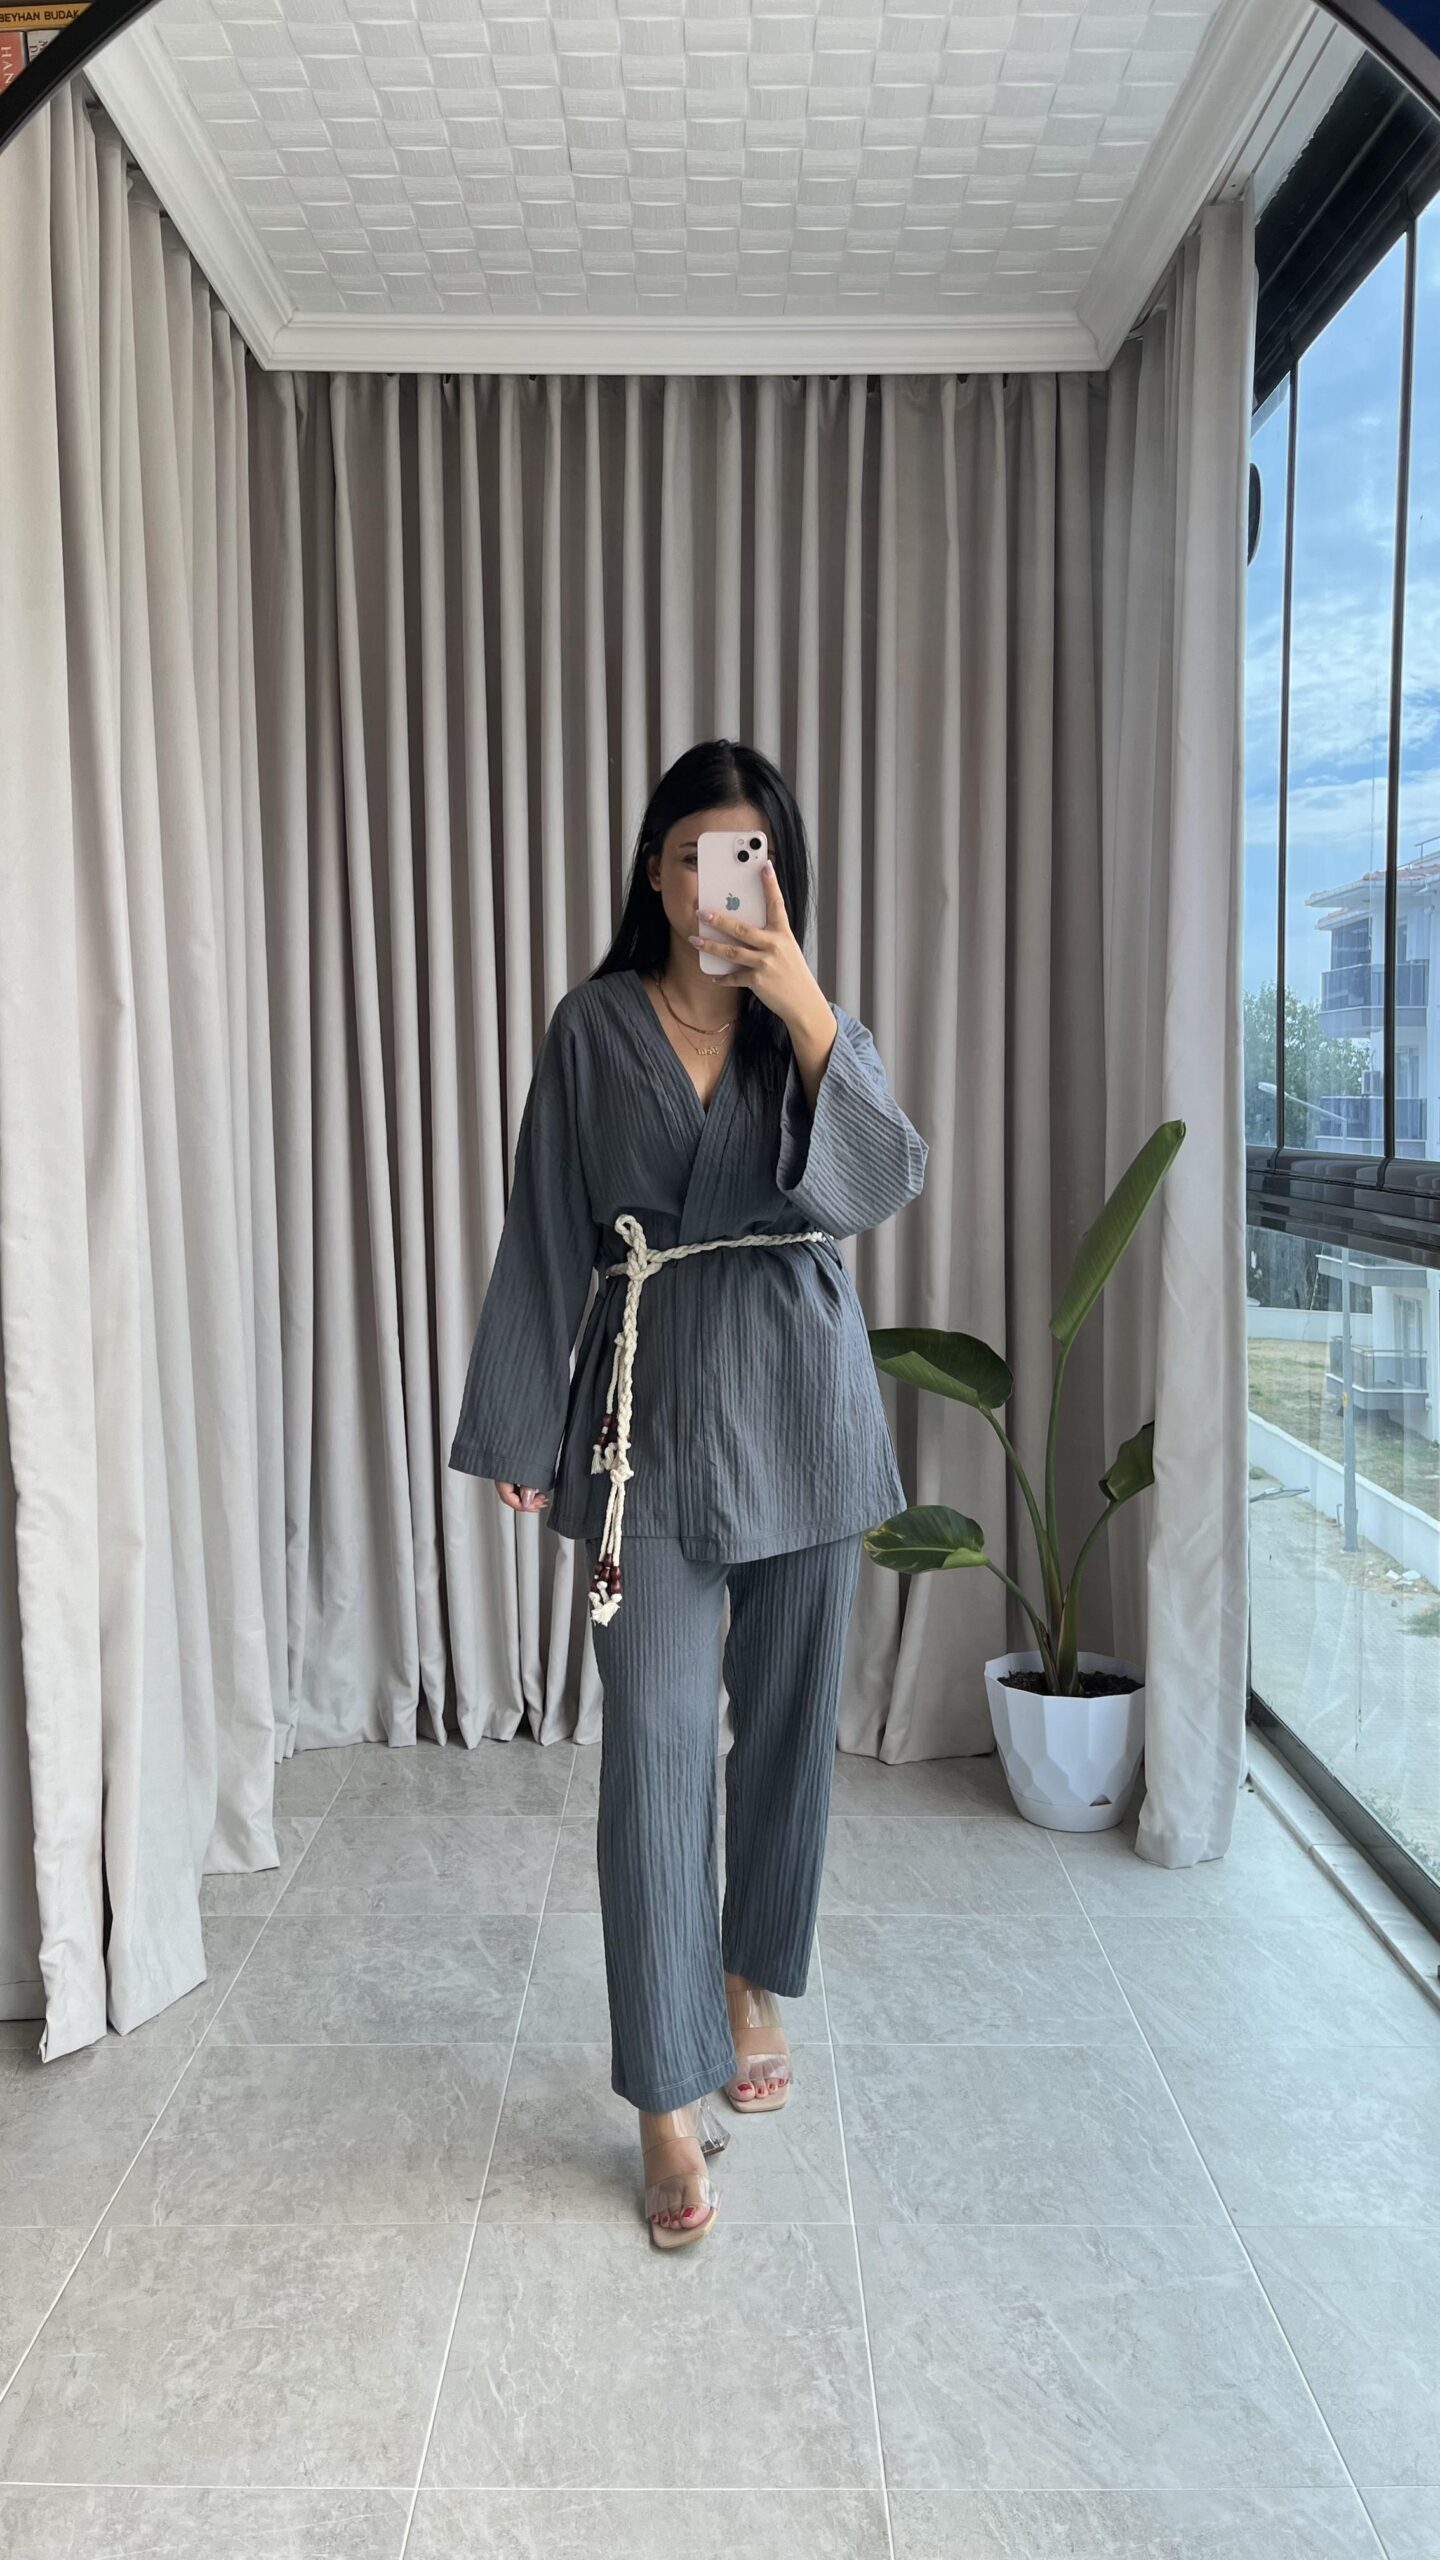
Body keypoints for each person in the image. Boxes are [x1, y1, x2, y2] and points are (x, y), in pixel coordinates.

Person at [449, 738, 928, 2250]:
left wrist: (805, 1005)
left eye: (751, 859)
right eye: (697, 857)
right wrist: (521, 1418)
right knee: (654, 1751)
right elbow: (545, 1225)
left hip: (801, 1399)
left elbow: (880, 1183)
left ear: (776, 876)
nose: (723, 885)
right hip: (644, 1416)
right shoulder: (593, 1027)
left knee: (788, 1719)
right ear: (654, 873)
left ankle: (749, 1976)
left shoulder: (808, 1024)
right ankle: (666, 2092)